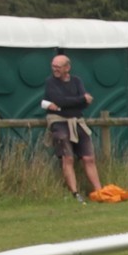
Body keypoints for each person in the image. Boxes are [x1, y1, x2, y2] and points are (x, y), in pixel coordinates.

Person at [42, 54, 103, 202]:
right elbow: (60, 100)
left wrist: (74, 102)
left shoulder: (76, 81)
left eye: (58, 66)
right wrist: (80, 99)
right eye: (53, 66)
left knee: (89, 157)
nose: (54, 69)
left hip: (77, 121)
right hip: (59, 122)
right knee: (67, 158)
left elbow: (84, 104)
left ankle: (99, 191)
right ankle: (75, 194)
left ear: (67, 67)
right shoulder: (50, 82)